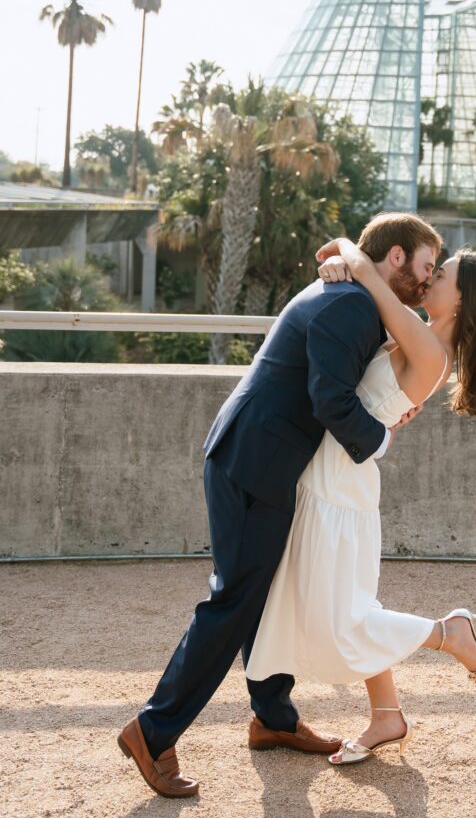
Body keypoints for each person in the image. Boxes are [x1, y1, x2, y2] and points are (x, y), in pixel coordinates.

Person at [117, 212, 442, 798]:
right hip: (254, 461)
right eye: (425, 268)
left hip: (261, 457)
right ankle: (153, 728)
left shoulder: (354, 294)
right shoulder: (351, 304)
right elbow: (330, 401)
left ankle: (273, 718)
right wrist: (384, 437)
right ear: (394, 258)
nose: (427, 281)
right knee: (235, 599)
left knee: (262, 591)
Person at [245, 237, 476, 765]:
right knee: (346, 609)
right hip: (334, 478)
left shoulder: (428, 345)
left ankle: (448, 634)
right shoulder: (425, 340)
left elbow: (368, 272)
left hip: (339, 486)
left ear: (461, 300)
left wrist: (343, 248)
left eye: (442, 275)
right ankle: (386, 715)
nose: (429, 280)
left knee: (339, 623)